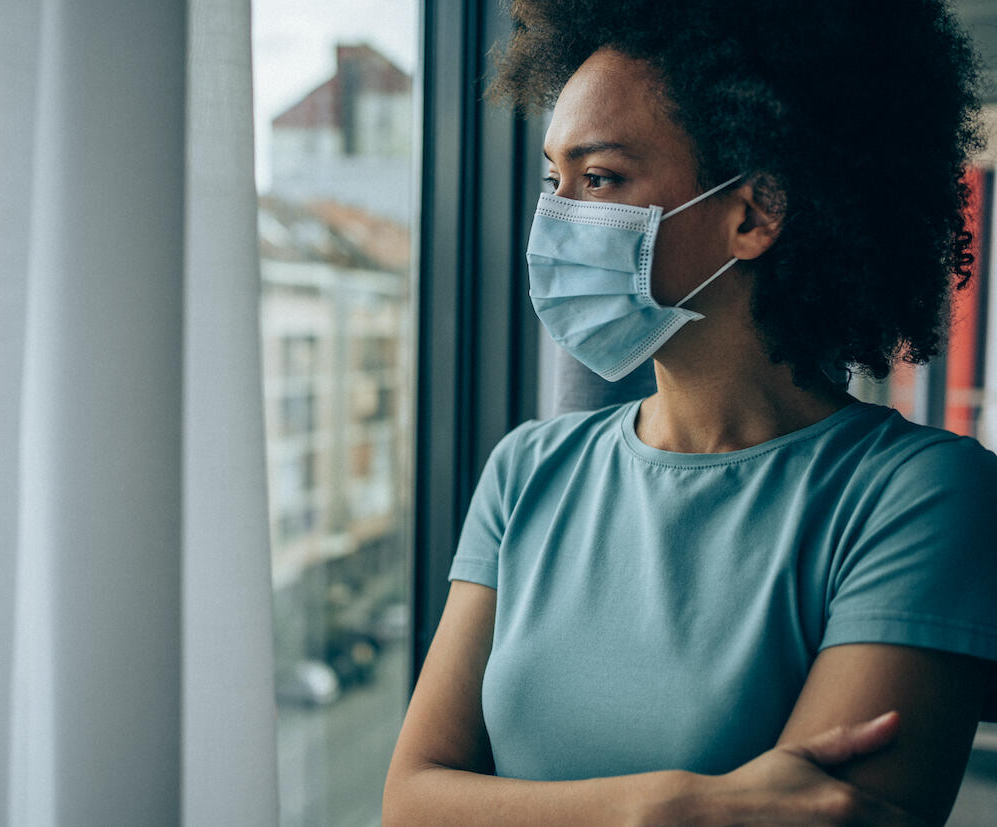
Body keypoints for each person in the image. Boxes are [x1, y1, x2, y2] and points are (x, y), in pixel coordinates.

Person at [383, 1, 997, 824]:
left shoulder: (924, 496)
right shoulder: (527, 469)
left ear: (752, 212)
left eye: (599, 178)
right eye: (551, 180)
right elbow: (411, 801)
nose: (556, 219)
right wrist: (670, 807)